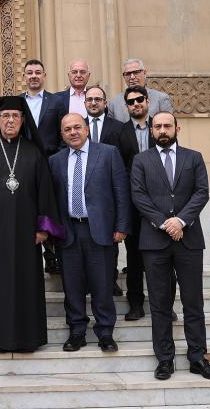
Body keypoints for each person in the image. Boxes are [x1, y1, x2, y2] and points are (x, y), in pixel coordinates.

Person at [130, 112, 210, 382]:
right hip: (154, 241)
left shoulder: (193, 157)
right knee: (159, 303)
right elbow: (138, 195)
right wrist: (164, 223)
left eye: (167, 125)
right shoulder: (141, 160)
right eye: (157, 126)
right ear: (151, 130)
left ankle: (197, 358)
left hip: (189, 239)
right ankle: (165, 359)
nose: (162, 130)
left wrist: (181, 220)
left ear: (176, 128)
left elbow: (201, 192)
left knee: (193, 301)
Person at [0, 96, 63, 353]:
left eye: (15, 116)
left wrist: (43, 227)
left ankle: (27, 338)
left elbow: (45, 191)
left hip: (26, 233)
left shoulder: (35, 152)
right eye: (5, 116)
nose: (10, 121)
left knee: (26, 283)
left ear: (23, 121)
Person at [49, 113, 130, 353]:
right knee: (72, 287)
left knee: (102, 284)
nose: (73, 132)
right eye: (67, 129)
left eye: (77, 127)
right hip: (69, 232)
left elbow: (121, 191)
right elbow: (51, 200)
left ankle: (105, 332)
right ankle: (77, 332)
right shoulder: (55, 160)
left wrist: (122, 226)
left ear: (86, 129)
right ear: (62, 135)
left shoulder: (108, 153)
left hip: (101, 231)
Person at [20, 59, 67, 275]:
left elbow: (63, 133)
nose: (33, 76)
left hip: (50, 163)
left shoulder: (56, 102)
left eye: (37, 72)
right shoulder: (17, 102)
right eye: (29, 72)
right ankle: (26, 254)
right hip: (21, 164)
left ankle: (51, 257)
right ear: (24, 76)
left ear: (44, 75)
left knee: (48, 206)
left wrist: (57, 156)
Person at [118, 85, 158, 320]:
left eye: (140, 100)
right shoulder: (120, 133)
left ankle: (163, 304)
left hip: (160, 204)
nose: (136, 104)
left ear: (147, 101)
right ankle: (135, 303)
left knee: (162, 257)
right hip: (133, 204)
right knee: (133, 257)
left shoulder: (161, 126)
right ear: (126, 107)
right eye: (131, 102)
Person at [84, 85, 126, 297]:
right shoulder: (76, 126)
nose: (93, 102)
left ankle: (111, 280)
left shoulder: (118, 127)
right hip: (81, 192)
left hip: (107, 192)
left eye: (97, 99)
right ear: (84, 103)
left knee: (109, 241)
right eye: (90, 99)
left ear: (105, 103)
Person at [107, 58, 174, 123]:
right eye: (128, 74)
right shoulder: (114, 104)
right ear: (124, 77)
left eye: (136, 72)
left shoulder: (161, 99)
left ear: (144, 73)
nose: (132, 77)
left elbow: (169, 125)